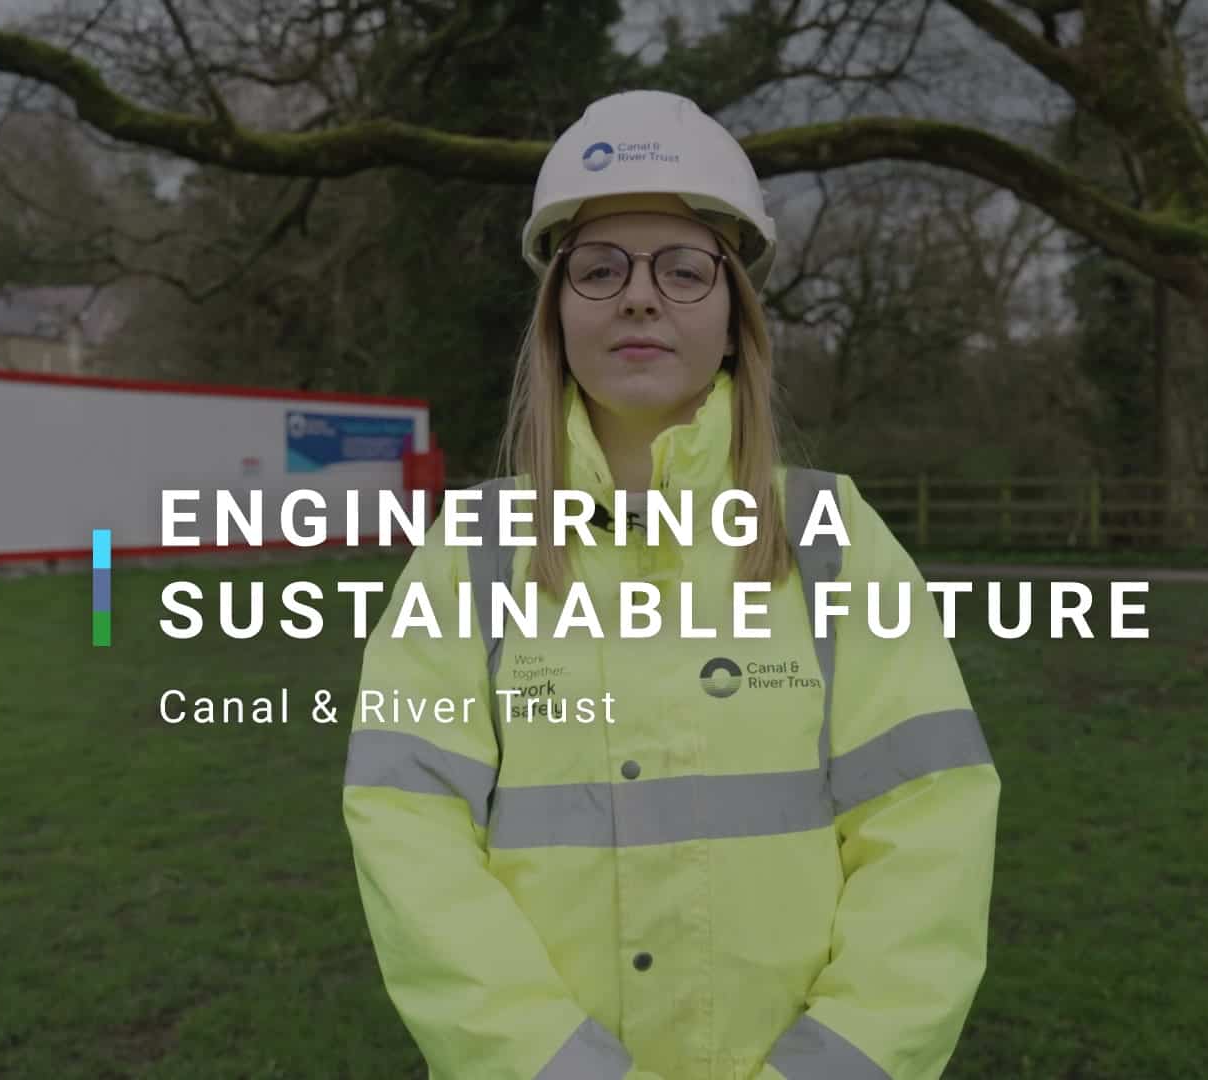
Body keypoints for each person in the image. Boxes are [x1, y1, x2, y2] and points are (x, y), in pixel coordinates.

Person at [343, 89, 1000, 1080]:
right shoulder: (472, 550)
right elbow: (410, 840)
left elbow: (930, 829)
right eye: (600, 268)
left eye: (685, 268)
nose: (639, 296)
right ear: (557, 313)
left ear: (735, 319)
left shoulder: (831, 537)